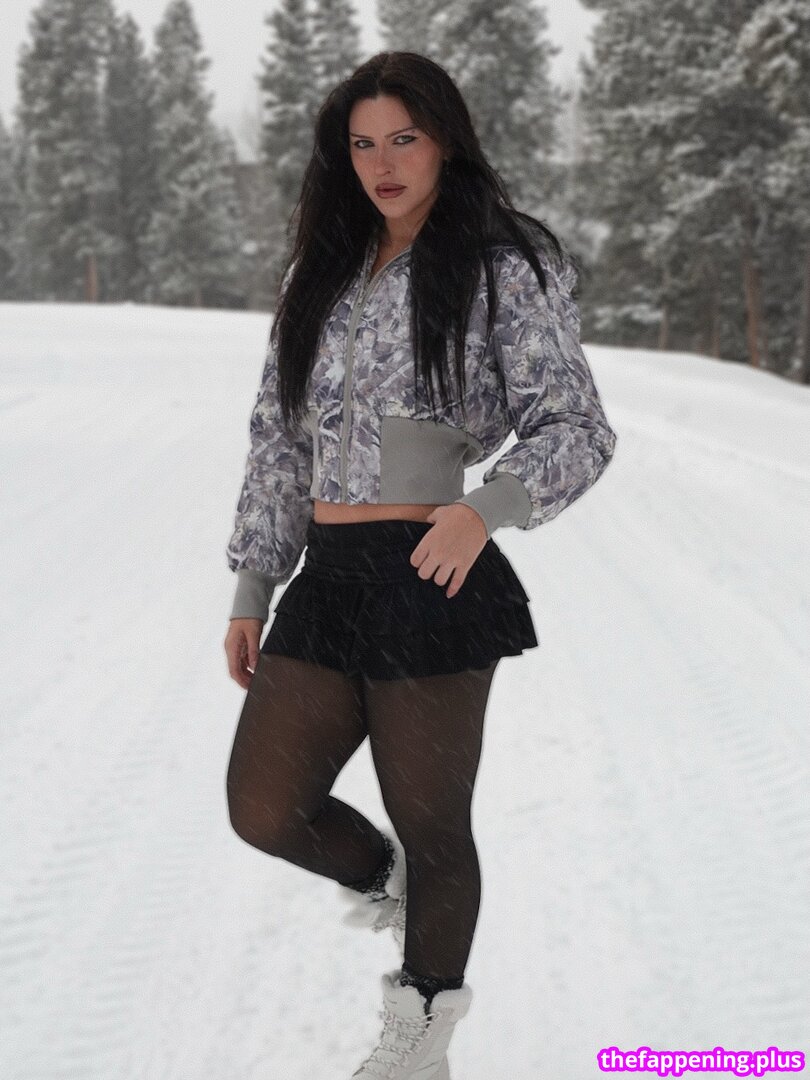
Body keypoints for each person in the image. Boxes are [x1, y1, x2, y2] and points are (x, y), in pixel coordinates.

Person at [223, 51, 617, 1080]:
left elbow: (577, 428)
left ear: (445, 140)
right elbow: (277, 439)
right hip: (329, 574)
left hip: (431, 571)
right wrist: (255, 584)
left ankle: (421, 1037)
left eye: (404, 138)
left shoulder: (502, 264)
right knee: (264, 806)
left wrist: (482, 512)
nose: (383, 163)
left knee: (435, 823)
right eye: (363, 144)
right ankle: (390, 882)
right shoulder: (321, 274)